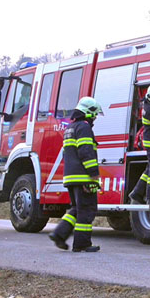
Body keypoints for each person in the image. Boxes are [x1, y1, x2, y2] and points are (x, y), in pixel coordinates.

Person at [49, 97, 103, 252]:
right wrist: (93, 173)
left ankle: (59, 234)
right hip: (83, 177)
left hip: (71, 177)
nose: (95, 118)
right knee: (87, 209)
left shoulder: (70, 128)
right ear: (88, 112)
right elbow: (86, 151)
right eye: (94, 115)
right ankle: (82, 244)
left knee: (77, 208)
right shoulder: (84, 128)